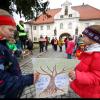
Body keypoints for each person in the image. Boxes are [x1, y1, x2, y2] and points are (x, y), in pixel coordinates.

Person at [0, 9, 40, 98]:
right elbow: (2, 83)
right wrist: (29, 79)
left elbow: (8, 57)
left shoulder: (3, 44)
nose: (13, 34)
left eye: (14, 31)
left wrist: (18, 53)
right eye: (10, 30)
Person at [68, 25, 100, 98]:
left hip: (93, 93)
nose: (82, 38)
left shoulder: (98, 54)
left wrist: (77, 75)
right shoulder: (89, 49)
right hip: (86, 89)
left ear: (93, 38)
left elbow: (97, 77)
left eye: (84, 36)